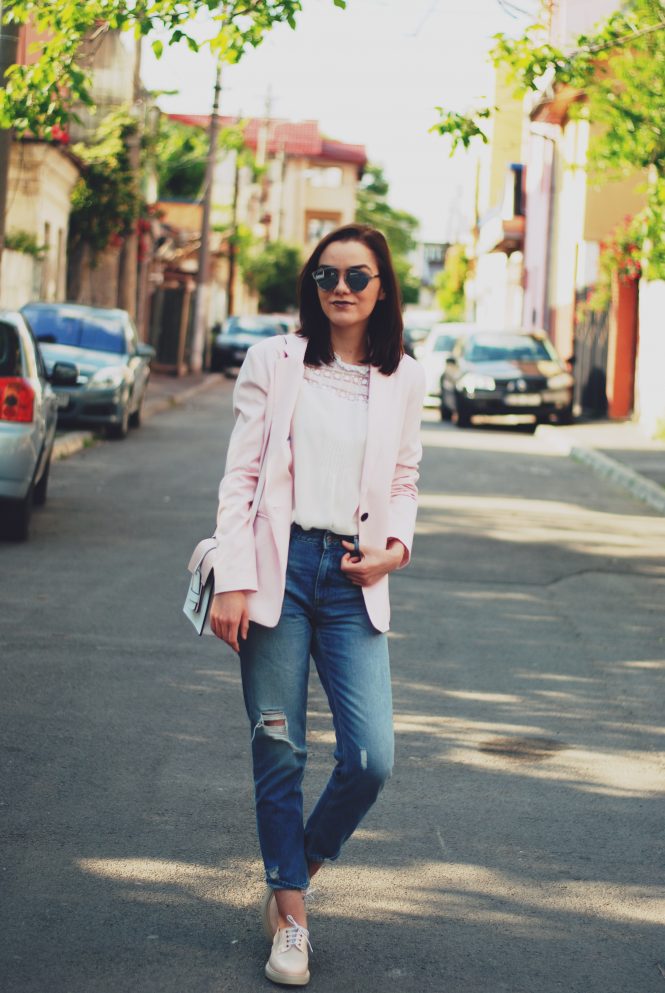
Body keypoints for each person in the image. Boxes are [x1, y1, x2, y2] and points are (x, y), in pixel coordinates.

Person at [208, 224, 426, 987]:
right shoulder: (273, 360)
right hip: (278, 568)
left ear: (381, 287)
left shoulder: (403, 376)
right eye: (326, 273)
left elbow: (403, 478)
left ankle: (295, 863)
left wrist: (394, 548)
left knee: (370, 758)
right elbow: (240, 477)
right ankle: (291, 916)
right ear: (312, 281)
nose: (340, 287)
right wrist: (233, 576)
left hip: (351, 576)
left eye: (357, 276)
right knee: (279, 746)